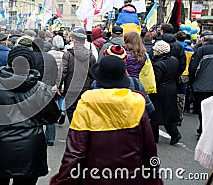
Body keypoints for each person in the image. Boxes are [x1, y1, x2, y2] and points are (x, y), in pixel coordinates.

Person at [50, 55, 159, 185]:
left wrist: (63, 179)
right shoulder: (136, 103)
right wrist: (153, 175)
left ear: (99, 79)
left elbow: (75, 152)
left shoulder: (87, 103)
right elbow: (150, 148)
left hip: (94, 176)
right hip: (130, 176)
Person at [0, 46, 60, 185]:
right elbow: (52, 116)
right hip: (30, 148)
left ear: (10, 63)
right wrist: (36, 121)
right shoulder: (41, 89)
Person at [56, 29, 96, 123]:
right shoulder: (90, 55)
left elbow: (62, 71)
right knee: (84, 112)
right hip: (85, 88)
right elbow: (94, 73)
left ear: (74, 40)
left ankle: (74, 130)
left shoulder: (68, 55)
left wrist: (58, 85)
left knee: (71, 112)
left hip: (71, 88)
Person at [151, 40, 181, 145]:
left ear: (159, 51)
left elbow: (156, 79)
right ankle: (174, 133)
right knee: (169, 112)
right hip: (172, 87)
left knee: (155, 114)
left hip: (161, 90)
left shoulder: (158, 64)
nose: (153, 51)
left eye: (155, 50)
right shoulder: (174, 60)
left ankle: (154, 138)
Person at [189, 34, 213, 137]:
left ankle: (203, 129)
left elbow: (194, 68)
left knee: (202, 109)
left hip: (201, 85)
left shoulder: (201, 50)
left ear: (203, 40)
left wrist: (191, 81)